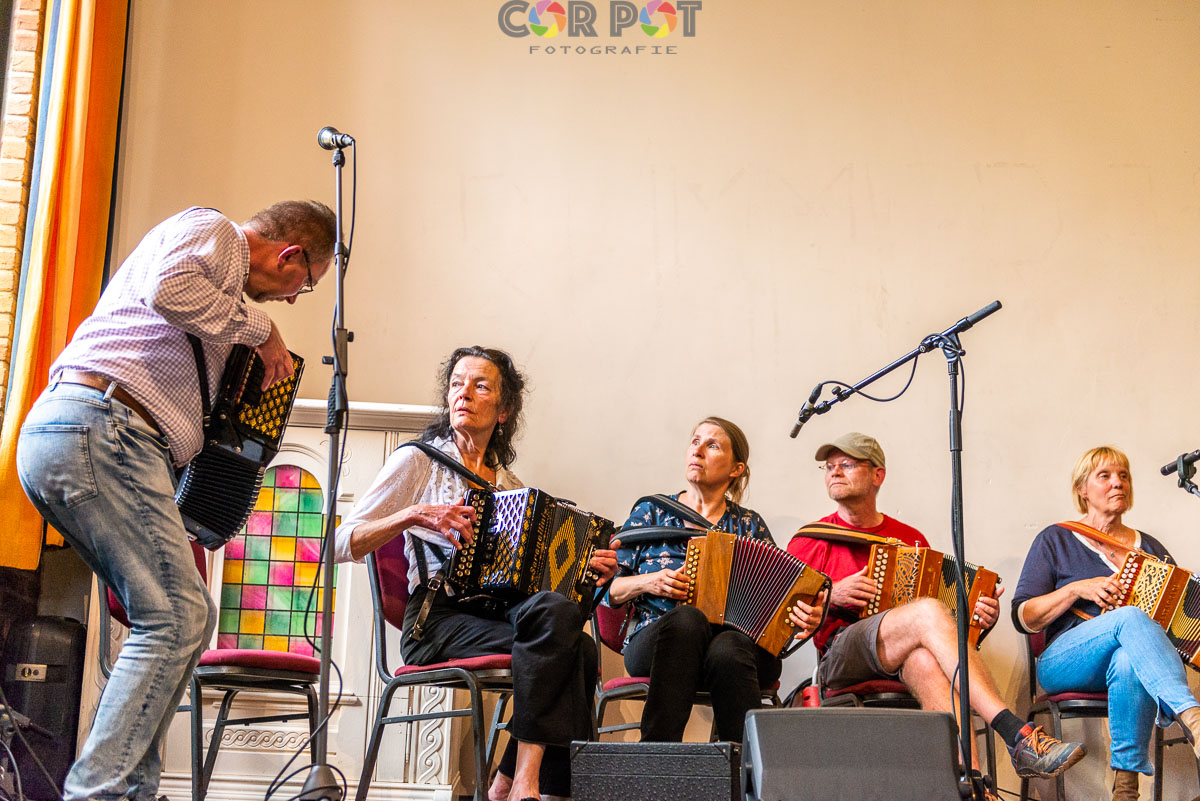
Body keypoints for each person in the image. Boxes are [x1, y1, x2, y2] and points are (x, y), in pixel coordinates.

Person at [16, 202, 336, 801]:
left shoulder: (222, 289)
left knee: (182, 616)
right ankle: (99, 792)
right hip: (104, 425)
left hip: (87, 433)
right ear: (290, 255)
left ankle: (132, 790)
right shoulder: (215, 231)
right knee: (178, 614)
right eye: (306, 282)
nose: (295, 298)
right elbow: (170, 288)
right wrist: (262, 330)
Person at [333, 346, 617, 801]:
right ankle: (524, 784)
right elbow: (339, 543)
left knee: (578, 645)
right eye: (456, 384)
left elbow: (537, 586)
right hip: (434, 620)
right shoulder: (419, 461)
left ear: (503, 411)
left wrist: (586, 567)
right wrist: (414, 514)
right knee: (571, 650)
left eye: (480, 385)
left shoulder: (509, 487)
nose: (463, 393)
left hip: (492, 615)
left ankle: (513, 781)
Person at [787, 431, 1086, 786]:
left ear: (877, 475)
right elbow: (784, 621)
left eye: (847, 464)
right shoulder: (810, 539)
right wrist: (833, 593)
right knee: (925, 612)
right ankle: (1015, 732)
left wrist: (978, 619)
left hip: (901, 652)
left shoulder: (910, 538)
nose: (835, 471)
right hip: (841, 654)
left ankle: (971, 784)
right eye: (829, 466)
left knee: (927, 660)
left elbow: (941, 620)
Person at [605, 416, 824, 743]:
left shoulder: (748, 525)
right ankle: (658, 755)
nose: (697, 451)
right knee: (688, 620)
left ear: (736, 469)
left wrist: (804, 615)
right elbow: (609, 591)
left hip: (735, 648)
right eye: (695, 442)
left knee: (728, 647)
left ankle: (741, 765)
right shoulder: (651, 512)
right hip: (658, 641)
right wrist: (648, 582)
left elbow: (780, 598)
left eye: (712, 445)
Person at [1012, 446, 1200, 801]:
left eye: (1124, 476)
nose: (1118, 483)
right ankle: (1193, 720)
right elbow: (1024, 616)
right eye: (1105, 476)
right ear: (1082, 489)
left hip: (1128, 663)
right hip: (1064, 661)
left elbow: (1179, 621)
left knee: (1129, 659)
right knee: (1128, 616)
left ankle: (1126, 790)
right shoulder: (1056, 538)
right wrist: (1075, 589)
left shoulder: (1152, 549)